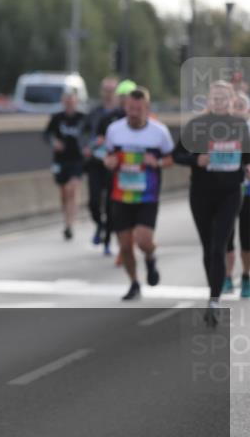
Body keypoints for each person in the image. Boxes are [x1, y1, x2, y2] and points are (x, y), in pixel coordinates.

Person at [173, 80, 250, 325]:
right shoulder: (197, 126)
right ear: (209, 101)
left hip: (230, 194)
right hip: (201, 194)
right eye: (215, 98)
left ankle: (214, 300)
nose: (219, 102)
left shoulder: (239, 126)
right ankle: (213, 291)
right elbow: (176, 155)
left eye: (223, 98)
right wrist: (196, 161)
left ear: (230, 101)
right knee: (208, 248)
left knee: (219, 245)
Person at [103, 87, 175, 301]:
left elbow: (172, 159)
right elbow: (107, 156)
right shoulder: (114, 130)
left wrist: (158, 162)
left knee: (143, 241)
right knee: (125, 246)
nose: (133, 113)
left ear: (147, 109)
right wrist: (109, 162)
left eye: (138, 109)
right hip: (121, 195)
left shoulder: (159, 132)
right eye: (130, 108)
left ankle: (151, 257)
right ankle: (134, 283)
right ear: (125, 107)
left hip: (147, 197)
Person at [97, 79, 137, 262]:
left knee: (133, 211)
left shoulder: (143, 120)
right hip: (115, 173)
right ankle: (109, 241)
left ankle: (126, 246)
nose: (124, 100)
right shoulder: (109, 120)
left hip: (137, 174)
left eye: (128, 97)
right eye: (121, 97)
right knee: (112, 208)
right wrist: (106, 158)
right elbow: (100, 145)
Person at [83, 76, 120, 251]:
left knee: (111, 204)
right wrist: (86, 147)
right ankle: (100, 224)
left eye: (111, 90)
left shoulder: (123, 114)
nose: (108, 94)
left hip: (114, 164)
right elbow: (82, 133)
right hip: (96, 162)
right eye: (105, 90)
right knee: (93, 201)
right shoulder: (94, 113)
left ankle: (107, 241)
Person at [44, 90, 87, 240]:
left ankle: (70, 225)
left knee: (72, 189)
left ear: (76, 102)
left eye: (72, 101)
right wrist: (54, 142)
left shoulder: (82, 118)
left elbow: (91, 134)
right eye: (67, 101)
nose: (69, 103)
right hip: (61, 160)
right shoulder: (57, 118)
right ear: (63, 102)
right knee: (63, 192)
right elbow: (46, 134)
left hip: (77, 159)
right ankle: (66, 219)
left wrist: (88, 147)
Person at [225, 92, 250, 298]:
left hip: (248, 192)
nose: (238, 109)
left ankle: (246, 276)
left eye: (242, 106)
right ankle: (226, 276)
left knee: (247, 237)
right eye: (235, 106)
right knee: (225, 235)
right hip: (228, 190)